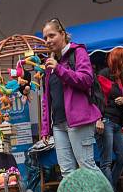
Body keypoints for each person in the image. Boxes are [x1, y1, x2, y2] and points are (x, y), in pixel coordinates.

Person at [40, 18, 102, 178]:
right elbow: (47, 99)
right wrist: (45, 128)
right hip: (58, 125)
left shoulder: (77, 52)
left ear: (62, 34)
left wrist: (60, 69)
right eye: (45, 37)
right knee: (67, 172)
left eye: (51, 35)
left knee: (87, 166)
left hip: (78, 121)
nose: (48, 40)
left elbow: (86, 80)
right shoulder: (50, 63)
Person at [96, 47, 123, 192]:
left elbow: (118, 98)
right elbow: (97, 99)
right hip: (105, 121)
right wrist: (98, 119)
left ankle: (110, 191)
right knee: (106, 161)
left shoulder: (119, 78)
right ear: (120, 61)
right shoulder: (103, 75)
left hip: (116, 123)